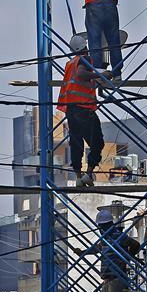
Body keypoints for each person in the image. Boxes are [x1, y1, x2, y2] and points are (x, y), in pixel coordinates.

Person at [58, 35, 105, 187]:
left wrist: (95, 78)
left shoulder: (69, 64)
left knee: (76, 143)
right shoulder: (84, 59)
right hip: (84, 109)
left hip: (71, 109)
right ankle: (88, 173)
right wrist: (99, 74)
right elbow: (81, 75)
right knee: (97, 142)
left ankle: (78, 176)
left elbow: (77, 81)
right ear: (85, 46)